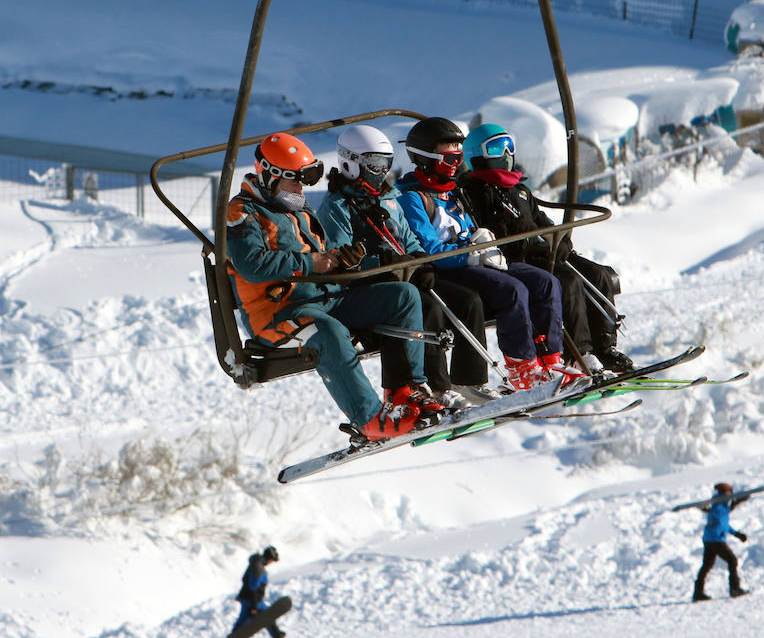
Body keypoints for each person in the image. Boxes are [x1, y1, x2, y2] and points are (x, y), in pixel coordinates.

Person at [224, 131, 445, 442]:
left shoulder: (299, 209)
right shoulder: (241, 213)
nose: (301, 189)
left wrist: (348, 262)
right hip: (278, 314)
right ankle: (370, 420)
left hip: (324, 298)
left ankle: (407, 393)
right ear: (271, 176)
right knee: (328, 331)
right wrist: (313, 263)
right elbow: (253, 265)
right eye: (296, 181)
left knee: (403, 296)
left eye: (304, 181)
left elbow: (325, 256)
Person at [316, 124, 498, 409]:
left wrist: (419, 263)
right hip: (371, 286)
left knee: (466, 299)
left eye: (385, 164)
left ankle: (471, 380)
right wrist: (380, 262)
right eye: (373, 164)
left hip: (404, 277)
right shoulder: (337, 206)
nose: (379, 171)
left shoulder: (388, 199)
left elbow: (409, 240)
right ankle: (437, 387)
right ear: (351, 162)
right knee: (428, 309)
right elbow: (341, 258)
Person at [395, 117, 580, 391]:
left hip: (478, 259)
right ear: (425, 159)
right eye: (449, 159)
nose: (457, 165)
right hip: (452, 268)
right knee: (512, 290)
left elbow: (471, 227)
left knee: (544, 282)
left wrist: (485, 241)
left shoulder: (453, 192)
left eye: (459, 158)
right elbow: (429, 248)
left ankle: (550, 359)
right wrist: (470, 253)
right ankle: (522, 367)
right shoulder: (413, 198)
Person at [458, 123, 636, 374]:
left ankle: (605, 348)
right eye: (498, 148)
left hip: (543, 252)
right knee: (569, 282)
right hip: (519, 258)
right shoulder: (474, 193)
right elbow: (484, 234)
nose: (507, 154)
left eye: (510, 146)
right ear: (476, 154)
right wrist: (526, 239)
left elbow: (543, 222)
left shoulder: (519, 191)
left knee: (600, 274)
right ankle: (579, 353)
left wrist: (560, 241)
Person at [221, 545, 293, 638]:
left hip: (253, 600)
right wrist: (254, 605)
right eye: (272, 560)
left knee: (268, 618)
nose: (271, 563)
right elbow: (253, 587)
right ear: (269, 558)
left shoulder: (257, 564)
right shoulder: (258, 567)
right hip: (251, 601)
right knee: (243, 623)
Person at [693, 482, 751, 601]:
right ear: (725, 492)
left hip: (710, 539)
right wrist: (736, 502)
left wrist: (737, 534)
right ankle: (735, 588)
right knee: (732, 560)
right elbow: (719, 515)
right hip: (716, 540)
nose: (731, 493)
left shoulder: (720, 505)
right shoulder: (719, 506)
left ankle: (698, 592)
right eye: (730, 491)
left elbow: (723, 524)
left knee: (707, 565)